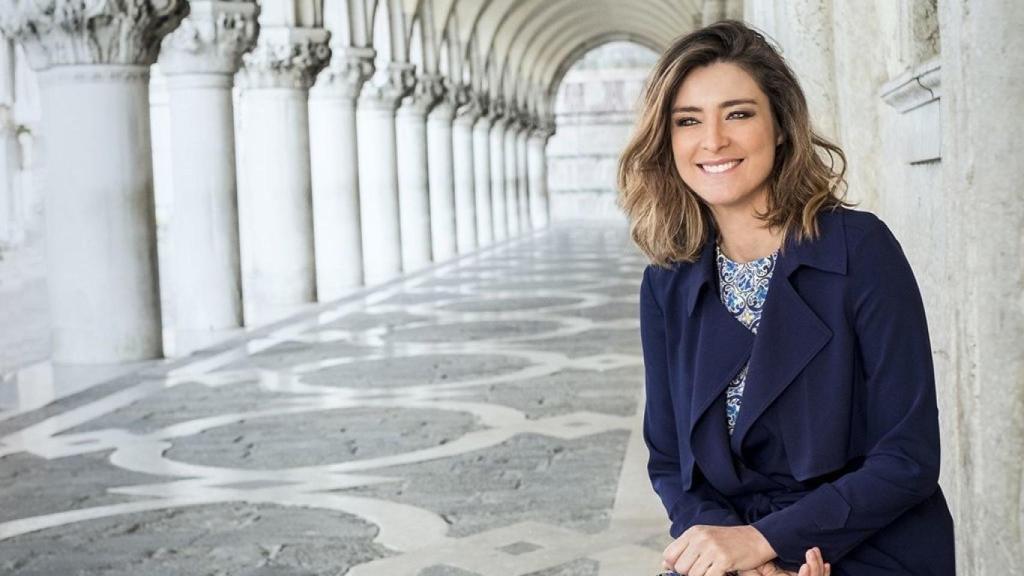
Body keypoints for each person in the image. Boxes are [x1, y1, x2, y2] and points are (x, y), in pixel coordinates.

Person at [617, 20, 956, 576]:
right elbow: (672, 460)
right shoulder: (667, 281)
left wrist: (768, 542)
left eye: (739, 113)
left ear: (779, 126)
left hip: (867, 541)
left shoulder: (861, 250)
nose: (714, 140)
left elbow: (908, 458)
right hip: (734, 553)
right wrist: (736, 555)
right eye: (688, 121)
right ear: (667, 140)